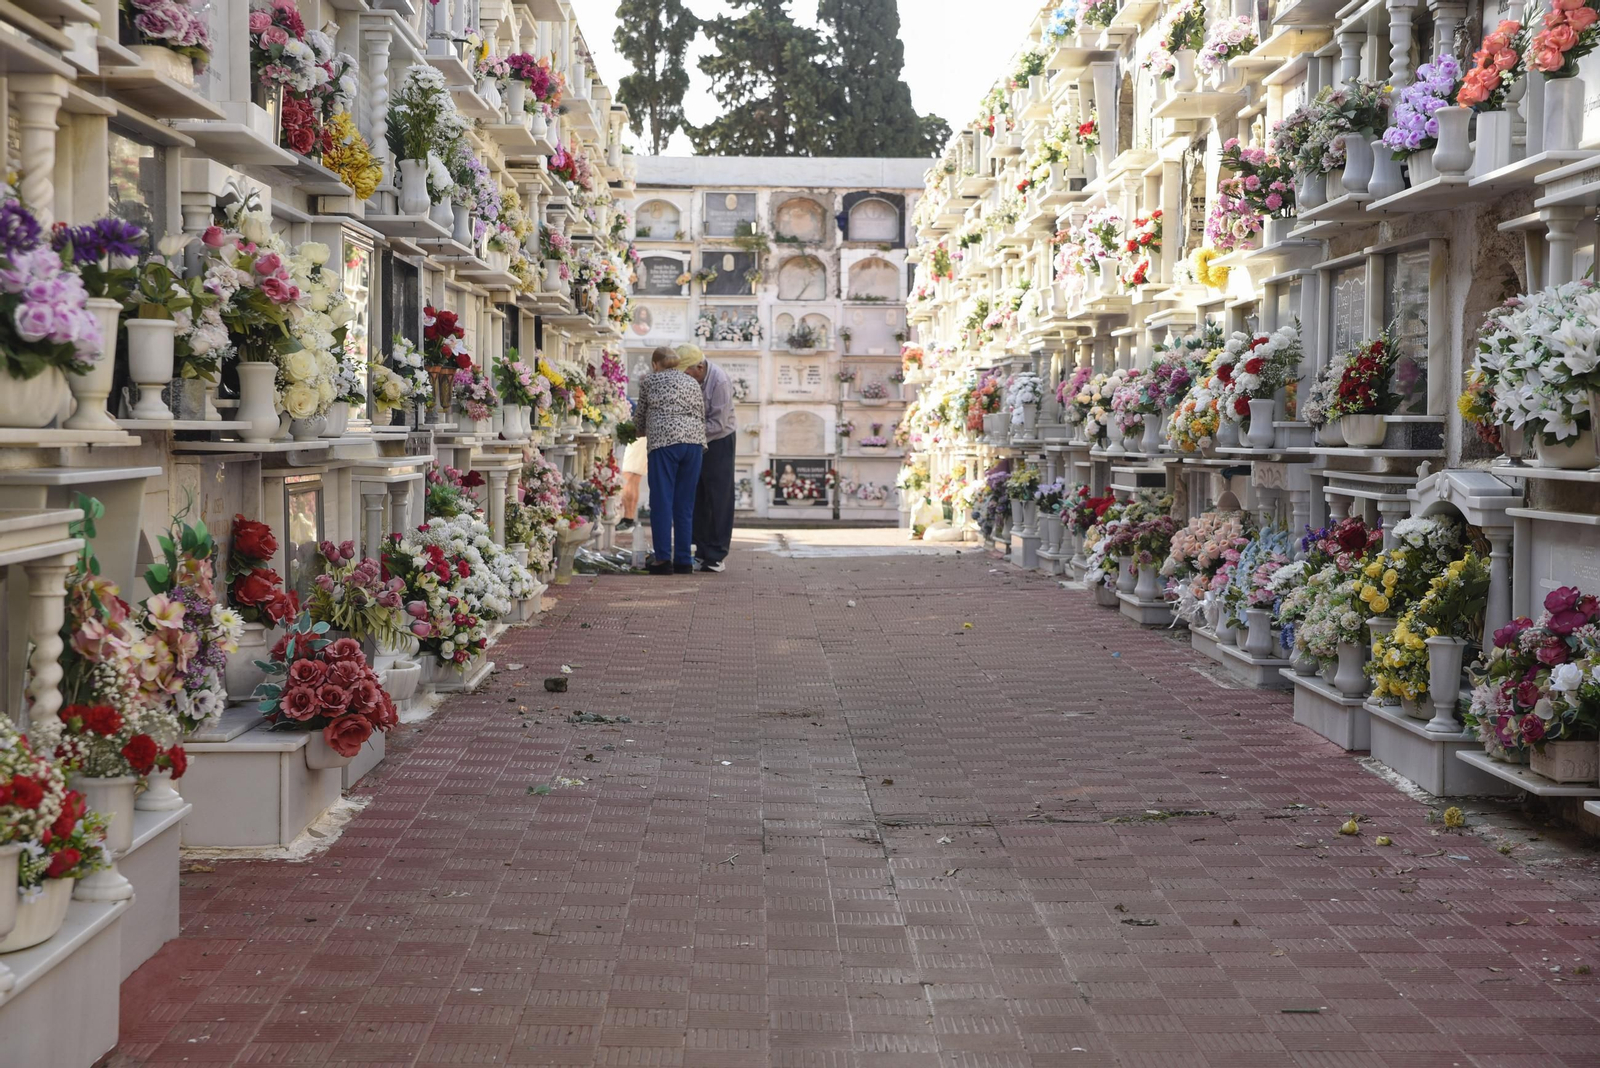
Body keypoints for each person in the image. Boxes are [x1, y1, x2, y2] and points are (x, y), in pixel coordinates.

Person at [633, 346, 705, 575]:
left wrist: (636, 432)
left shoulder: (649, 381)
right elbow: (700, 414)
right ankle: (684, 560)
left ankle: (663, 559)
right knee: (685, 503)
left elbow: (640, 417)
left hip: (664, 443)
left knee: (662, 501)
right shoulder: (692, 382)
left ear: (655, 364)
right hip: (693, 444)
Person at [674, 343, 735, 573]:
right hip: (696, 439)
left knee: (718, 496)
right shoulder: (691, 378)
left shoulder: (719, 381)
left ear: (700, 367)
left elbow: (718, 424)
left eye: (687, 371)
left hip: (719, 440)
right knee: (697, 493)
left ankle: (717, 554)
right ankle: (700, 551)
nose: (685, 376)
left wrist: (688, 432)